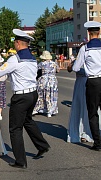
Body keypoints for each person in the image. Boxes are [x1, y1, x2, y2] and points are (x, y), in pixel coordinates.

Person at [0, 29, 50, 168]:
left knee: (15, 129)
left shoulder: (15, 59)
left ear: (18, 43)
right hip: (33, 93)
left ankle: (20, 161)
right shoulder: (33, 58)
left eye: (15, 42)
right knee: (28, 120)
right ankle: (42, 145)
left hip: (21, 96)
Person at [68, 21, 101, 151]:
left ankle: (98, 143)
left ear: (89, 33)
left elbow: (76, 67)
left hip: (93, 82)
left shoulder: (85, 48)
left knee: (92, 113)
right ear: (98, 32)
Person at [67, 68, 95, 143]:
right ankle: (84, 132)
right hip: (85, 83)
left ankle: (86, 132)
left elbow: (72, 68)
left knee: (85, 108)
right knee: (84, 108)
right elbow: (70, 69)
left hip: (86, 83)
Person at [33, 50, 60, 118]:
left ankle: (40, 108)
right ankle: (50, 111)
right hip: (52, 81)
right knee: (51, 95)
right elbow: (58, 70)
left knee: (41, 95)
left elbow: (37, 72)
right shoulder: (54, 63)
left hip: (43, 80)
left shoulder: (41, 64)